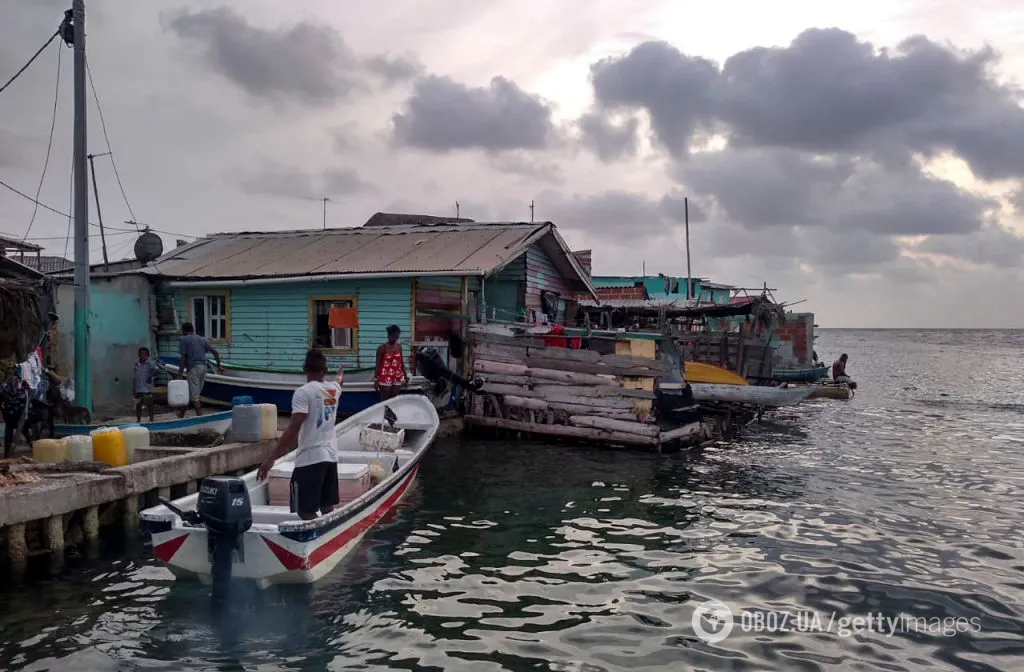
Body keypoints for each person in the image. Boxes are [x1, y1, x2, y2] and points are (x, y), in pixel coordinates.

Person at [257, 349, 342, 520]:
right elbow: (340, 381)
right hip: (331, 458)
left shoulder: (303, 393)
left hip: (310, 460)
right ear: (325, 370)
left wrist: (271, 459)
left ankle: (308, 543)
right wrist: (340, 374)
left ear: (304, 368)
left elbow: (293, 430)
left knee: (304, 511)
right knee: (327, 507)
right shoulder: (334, 390)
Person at [177, 322, 224, 417]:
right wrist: (219, 365)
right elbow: (215, 352)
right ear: (192, 330)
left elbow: (183, 357)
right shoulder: (202, 339)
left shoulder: (184, 339)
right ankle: (181, 414)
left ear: (184, 331)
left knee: (194, 397)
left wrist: (180, 373)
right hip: (203, 368)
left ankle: (201, 418)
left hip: (193, 369)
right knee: (192, 394)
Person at [374, 325, 408, 401]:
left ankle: (391, 412)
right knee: (385, 398)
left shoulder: (399, 347)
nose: (395, 339)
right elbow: (377, 365)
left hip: (397, 375)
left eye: (397, 337)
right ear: (389, 335)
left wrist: (405, 375)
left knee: (394, 397)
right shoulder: (382, 348)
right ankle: (384, 412)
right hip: (385, 376)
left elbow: (401, 362)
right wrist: (376, 380)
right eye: (393, 336)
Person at [134, 346, 158, 422]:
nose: (143, 356)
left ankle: (151, 419)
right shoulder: (136, 364)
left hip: (147, 388)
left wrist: (150, 376)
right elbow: (135, 376)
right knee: (138, 405)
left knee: (149, 405)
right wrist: (134, 388)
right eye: (141, 354)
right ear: (139, 355)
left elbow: (157, 370)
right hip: (138, 388)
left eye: (145, 355)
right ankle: (138, 420)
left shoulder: (150, 364)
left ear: (147, 356)